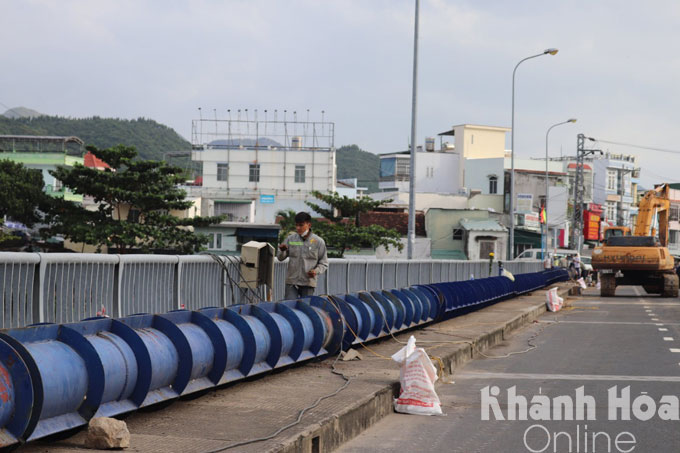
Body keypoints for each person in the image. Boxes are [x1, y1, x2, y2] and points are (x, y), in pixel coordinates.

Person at [276, 211, 328, 300]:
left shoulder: (318, 242)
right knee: (290, 306)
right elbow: (280, 258)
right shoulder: (290, 239)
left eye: (301, 225)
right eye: (296, 225)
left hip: (308, 282)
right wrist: (282, 251)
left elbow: (324, 263)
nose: (298, 228)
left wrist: (316, 271)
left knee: (305, 307)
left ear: (309, 225)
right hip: (292, 281)